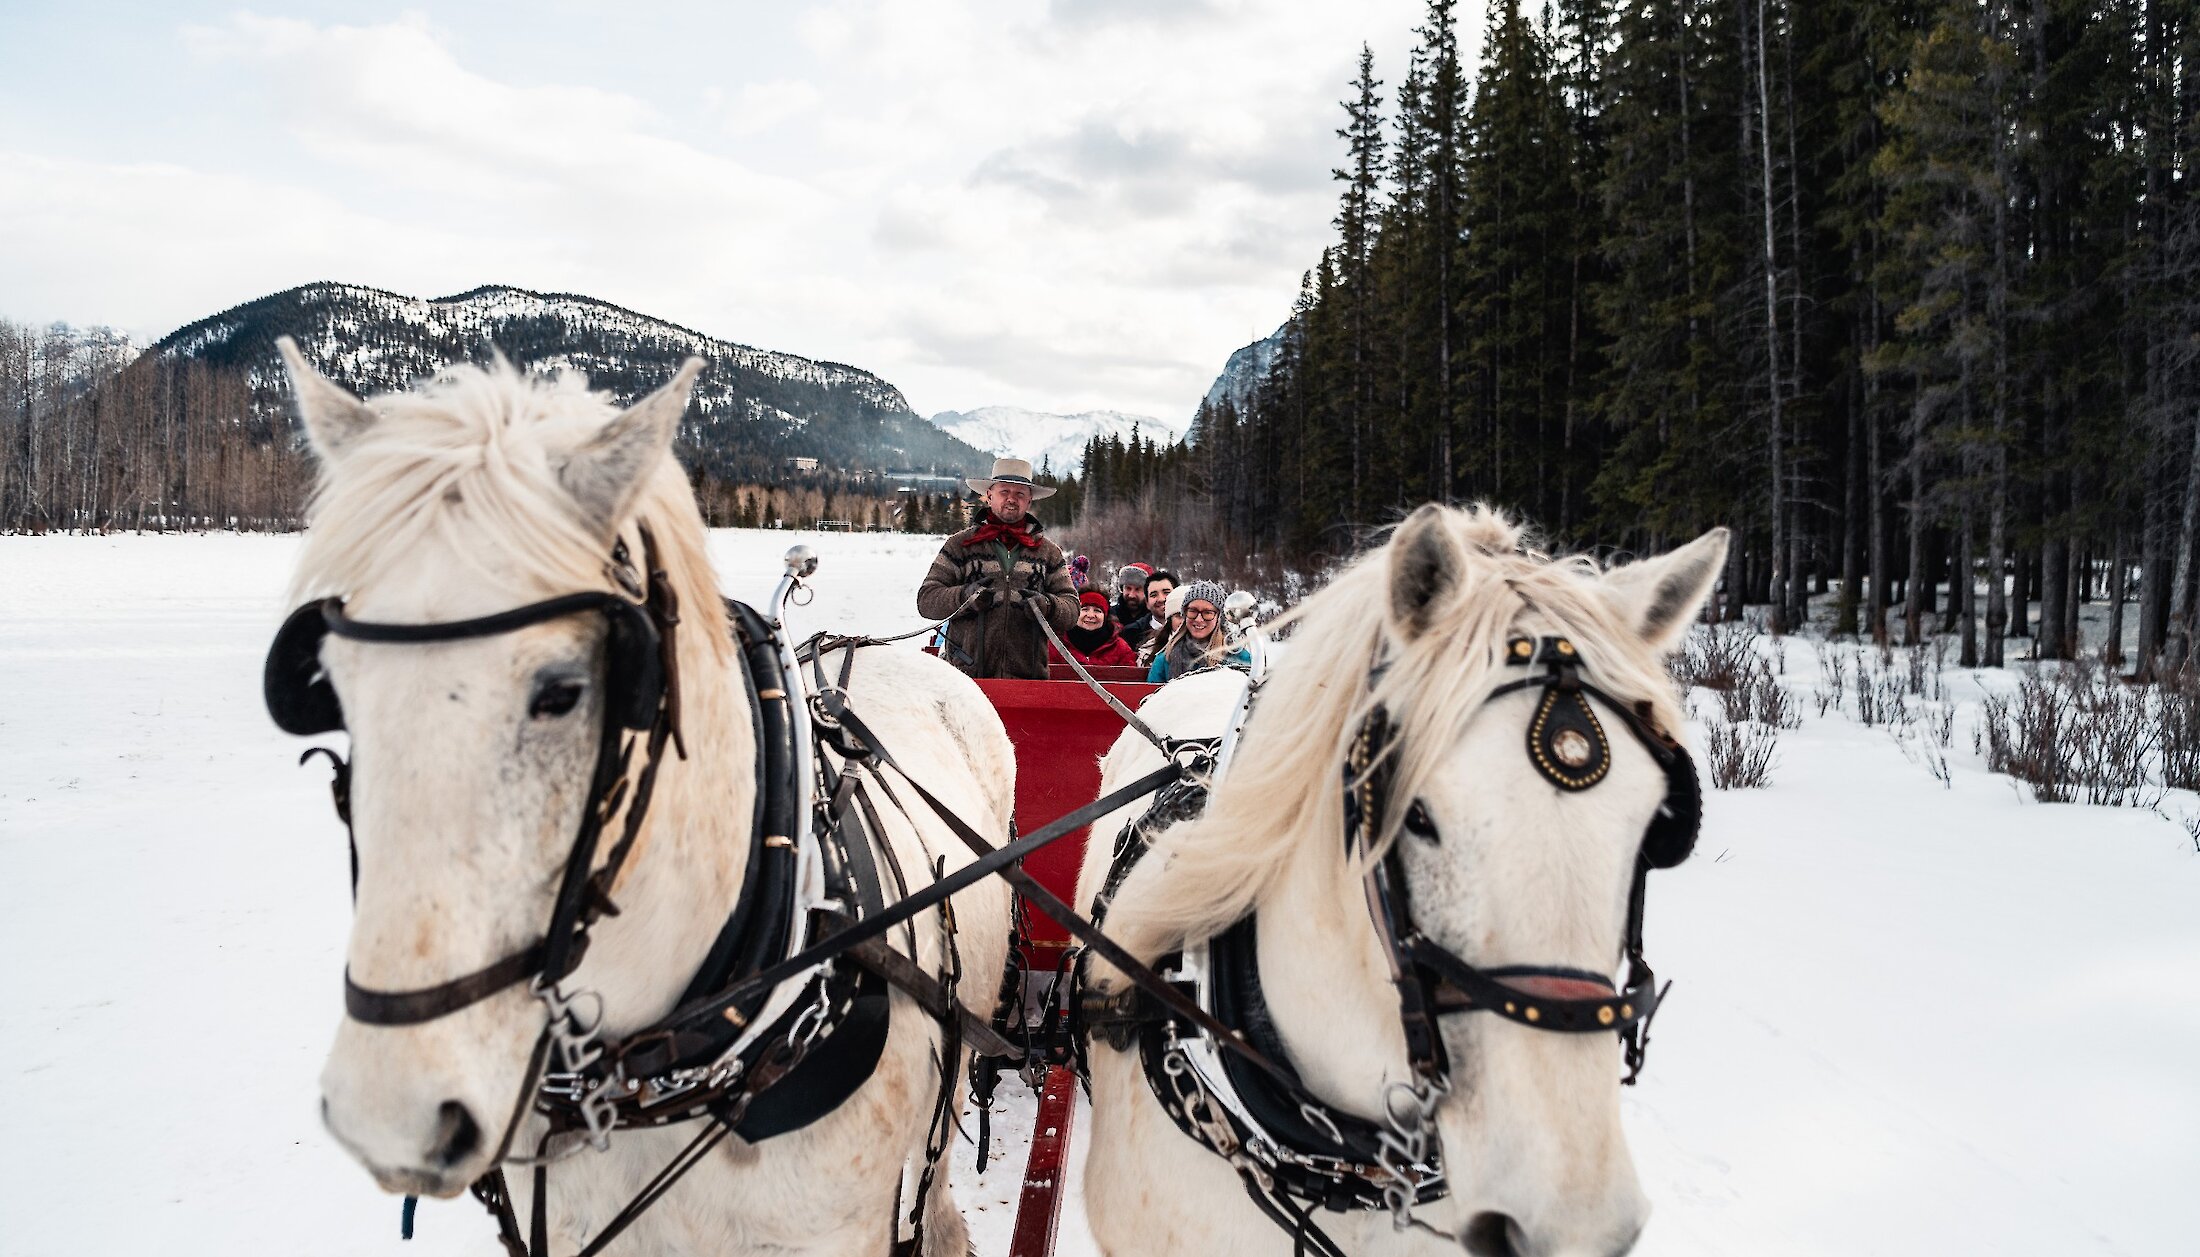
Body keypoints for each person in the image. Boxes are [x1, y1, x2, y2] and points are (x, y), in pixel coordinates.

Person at [914, 458, 1079, 679]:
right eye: (1005, 492)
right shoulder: (960, 545)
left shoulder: (1048, 553)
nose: (1011, 499)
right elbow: (926, 600)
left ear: (1029, 500)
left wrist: (1047, 606)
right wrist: (965, 597)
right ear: (989, 495)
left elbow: (1072, 608)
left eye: (1020, 493)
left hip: (1029, 682)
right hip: (965, 680)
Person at [1146, 580, 1250, 683]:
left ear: (1219, 618)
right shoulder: (1165, 658)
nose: (1199, 619)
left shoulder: (1238, 656)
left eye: (1207, 613)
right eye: (1193, 611)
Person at [1049, 590, 1141, 668]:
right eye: (1085, 609)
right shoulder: (1056, 644)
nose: (1090, 615)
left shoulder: (1121, 649)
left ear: (1105, 616)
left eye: (1097, 610)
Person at [1111, 564, 1154, 653]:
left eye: (1137, 589)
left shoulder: (1153, 620)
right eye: (1128, 588)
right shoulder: (1110, 615)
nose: (1131, 595)